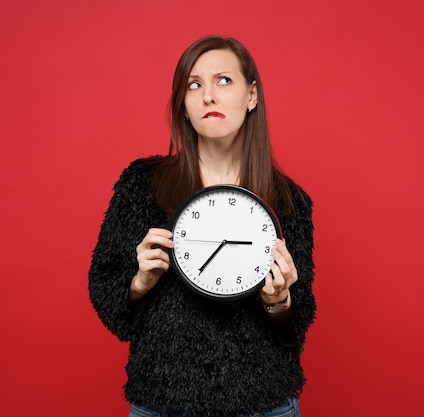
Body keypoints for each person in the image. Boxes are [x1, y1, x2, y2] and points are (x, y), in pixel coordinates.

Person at [88, 35, 316, 417]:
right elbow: (108, 296)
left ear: (252, 95)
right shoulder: (143, 184)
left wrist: (280, 301)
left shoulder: (289, 201)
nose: (208, 95)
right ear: (184, 106)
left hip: (262, 406)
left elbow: (296, 327)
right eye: (194, 85)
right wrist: (139, 282)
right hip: (162, 403)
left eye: (223, 80)